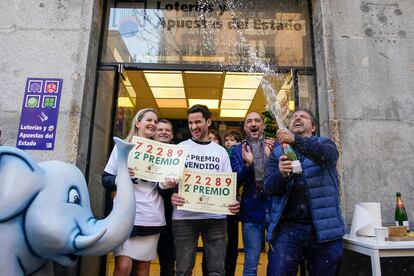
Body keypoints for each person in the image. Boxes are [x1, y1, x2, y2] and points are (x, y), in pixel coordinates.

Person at [264, 108, 345, 276]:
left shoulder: (325, 144)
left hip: (323, 229)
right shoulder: (278, 152)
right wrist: (281, 174)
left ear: (313, 127)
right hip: (288, 229)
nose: (297, 118)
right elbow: (269, 187)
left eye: (303, 117)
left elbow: (327, 156)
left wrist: (296, 140)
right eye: (294, 117)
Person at [170, 104, 240, 276]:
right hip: (184, 217)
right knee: (183, 270)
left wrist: (233, 201)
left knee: (217, 270)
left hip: (215, 217)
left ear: (208, 122)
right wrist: (171, 193)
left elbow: (227, 184)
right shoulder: (180, 148)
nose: (193, 127)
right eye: (190, 123)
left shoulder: (221, 152)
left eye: (198, 122)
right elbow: (168, 180)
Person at [102, 108, 172, 276]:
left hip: (151, 216)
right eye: (149, 120)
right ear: (137, 122)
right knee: (123, 266)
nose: (153, 124)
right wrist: (123, 176)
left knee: (142, 269)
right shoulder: (122, 148)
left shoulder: (162, 153)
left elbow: (160, 188)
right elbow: (106, 180)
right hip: (126, 216)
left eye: (156, 121)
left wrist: (165, 185)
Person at [230, 112, 274, 276]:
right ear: (244, 127)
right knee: (251, 263)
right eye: (249, 121)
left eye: (257, 120)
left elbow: (283, 178)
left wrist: (271, 161)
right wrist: (249, 165)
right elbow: (235, 181)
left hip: (275, 211)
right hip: (251, 212)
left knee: (279, 262)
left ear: (262, 125)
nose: (253, 123)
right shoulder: (237, 150)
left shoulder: (275, 146)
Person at [154, 119, 175, 276]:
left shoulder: (178, 155)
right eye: (160, 129)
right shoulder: (142, 152)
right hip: (144, 214)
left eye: (167, 130)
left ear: (172, 134)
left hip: (169, 216)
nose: (163, 132)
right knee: (139, 262)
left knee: (167, 262)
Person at [223, 129, 242, 276]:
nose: (229, 143)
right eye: (227, 140)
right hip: (219, 204)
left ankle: (230, 271)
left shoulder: (241, 155)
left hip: (233, 203)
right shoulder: (221, 155)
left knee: (232, 241)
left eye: (233, 140)